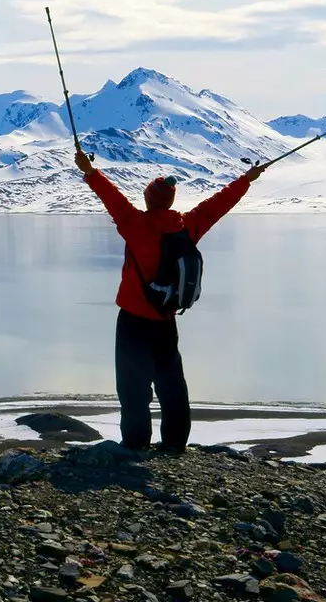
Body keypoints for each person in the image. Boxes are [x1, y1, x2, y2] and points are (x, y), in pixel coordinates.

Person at [73, 149, 262, 453]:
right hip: (166, 320)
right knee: (171, 383)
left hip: (134, 321)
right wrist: (245, 180)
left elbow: (111, 197)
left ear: (148, 199)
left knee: (133, 387)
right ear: (171, 202)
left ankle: (135, 444)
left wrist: (90, 172)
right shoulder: (187, 227)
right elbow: (217, 206)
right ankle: (174, 444)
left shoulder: (135, 224)